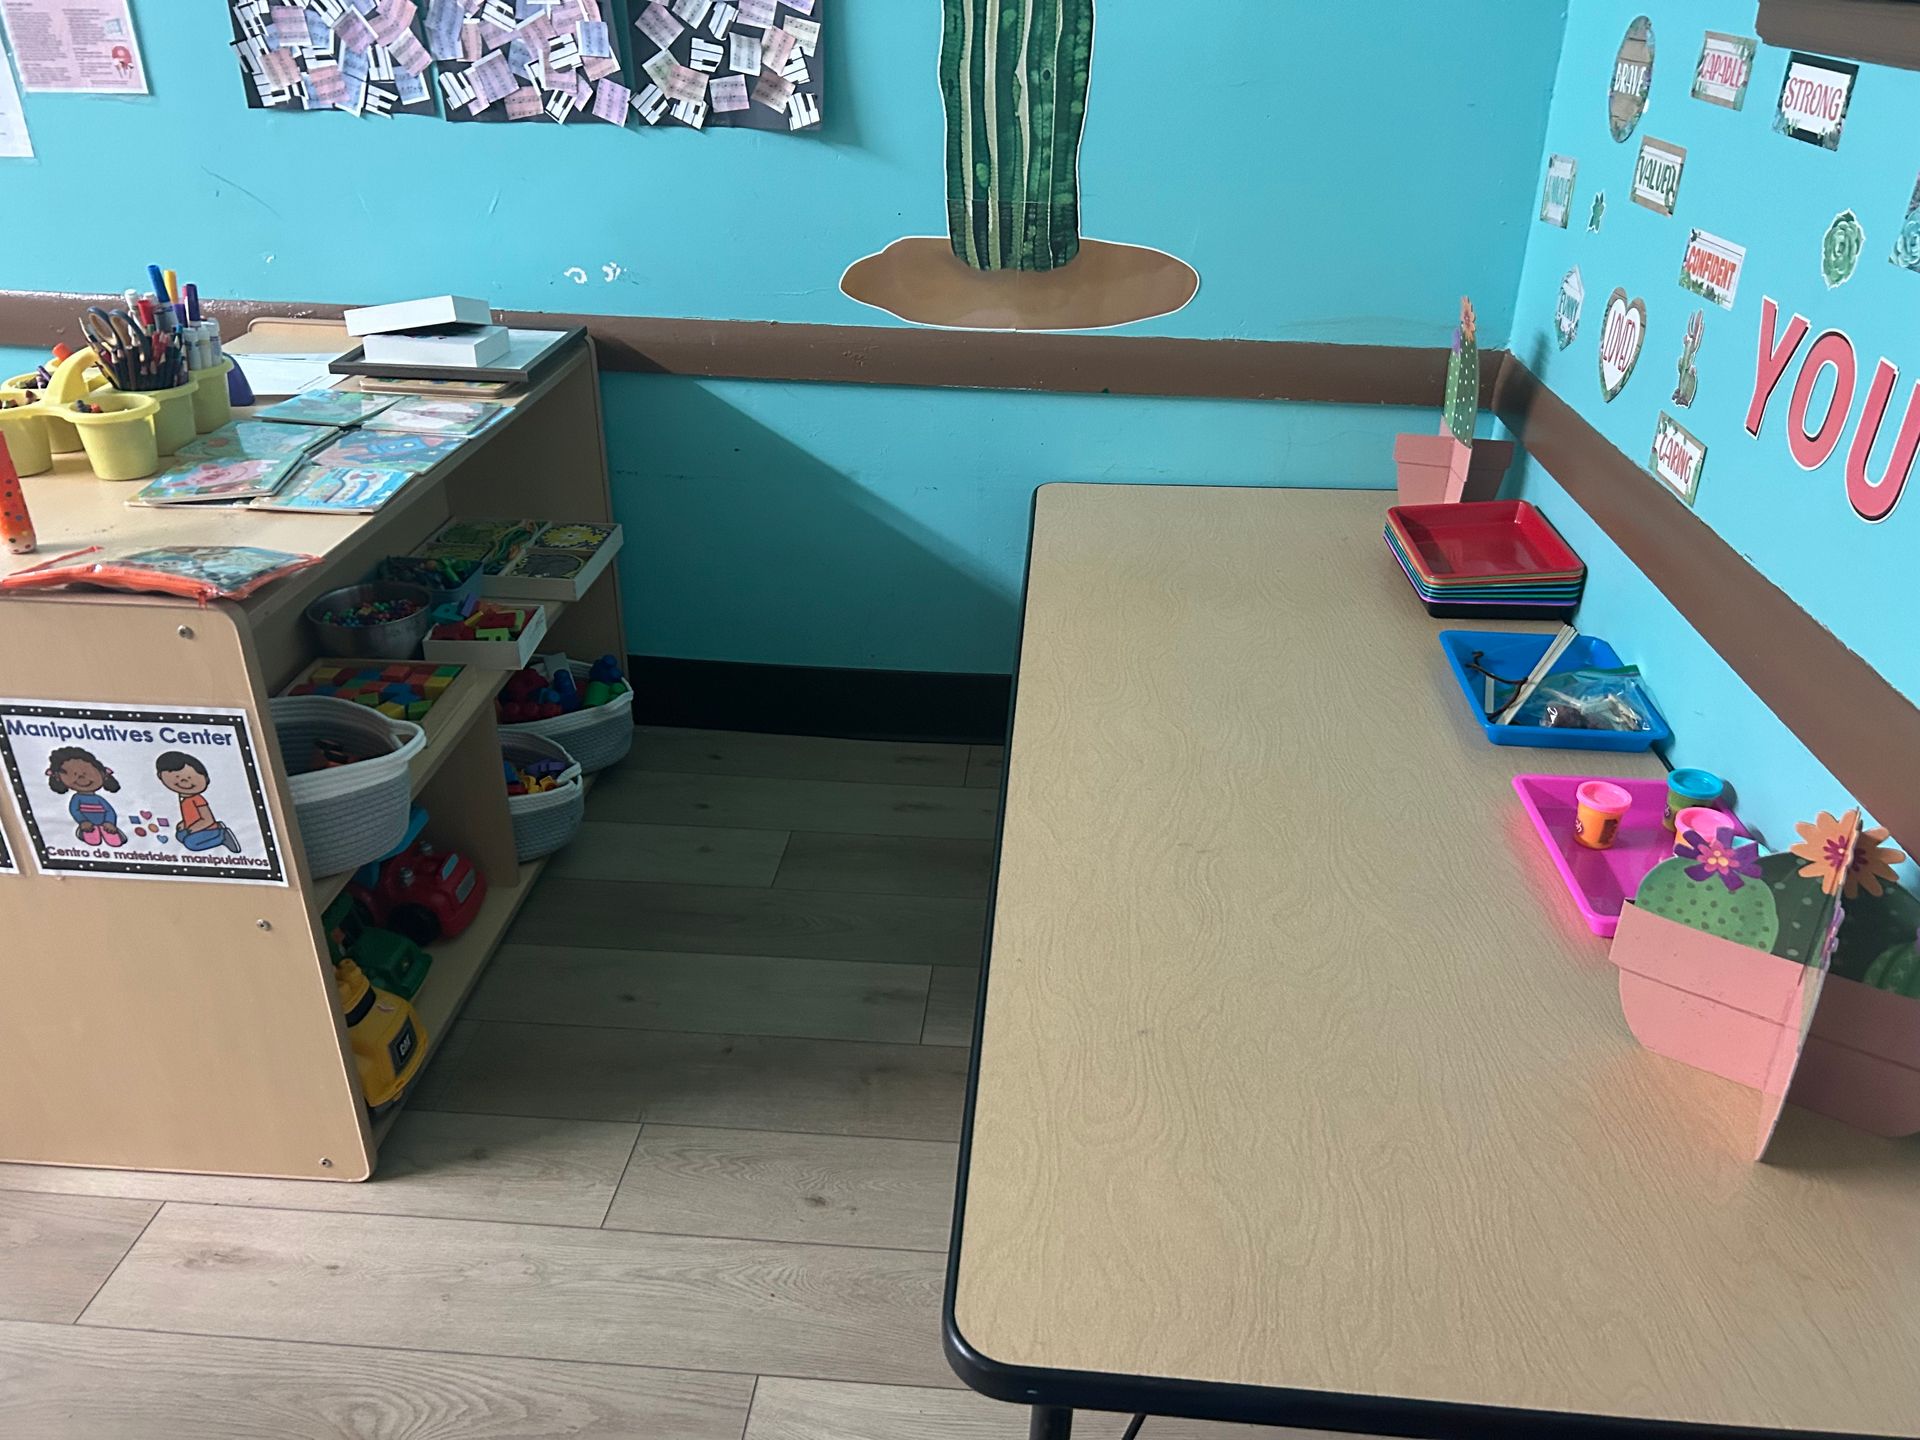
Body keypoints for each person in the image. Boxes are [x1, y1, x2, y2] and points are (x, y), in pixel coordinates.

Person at [154, 751, 241, 853]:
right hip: (194, 827)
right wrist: (184, 824)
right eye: (177, 777)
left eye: (189, 777)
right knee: (180, 835)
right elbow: (190, 816)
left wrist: (194, 828)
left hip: (208, 828)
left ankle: (222, 835)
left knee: (191, 843)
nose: (184, 781)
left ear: (205, 779)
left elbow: (207, 819)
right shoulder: (184, 799)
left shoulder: (197, 799)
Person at [46, 747, 126, 848]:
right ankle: (89, 834)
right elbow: (75, 810)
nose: (81, 777)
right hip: (88, 827)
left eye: (86, 772)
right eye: (74, 774)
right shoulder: (77, 798)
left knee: (113, 838)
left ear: (102, 773)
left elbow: (109, 811)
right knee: (91, 837)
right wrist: (83, 821)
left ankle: (110, 834)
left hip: (105, 826)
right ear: (59, 778)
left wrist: (109, 822)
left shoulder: (99, 799)